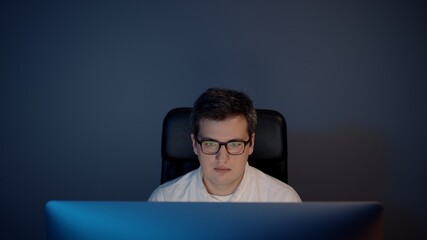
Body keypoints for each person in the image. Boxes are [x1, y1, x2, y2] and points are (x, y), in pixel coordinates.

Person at [149, 88, 301, 202]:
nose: (222, 158)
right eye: (210, 143)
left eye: (234, 144)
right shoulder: (164, 200)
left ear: (251, 144)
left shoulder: (283, 200)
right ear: (194, 144)